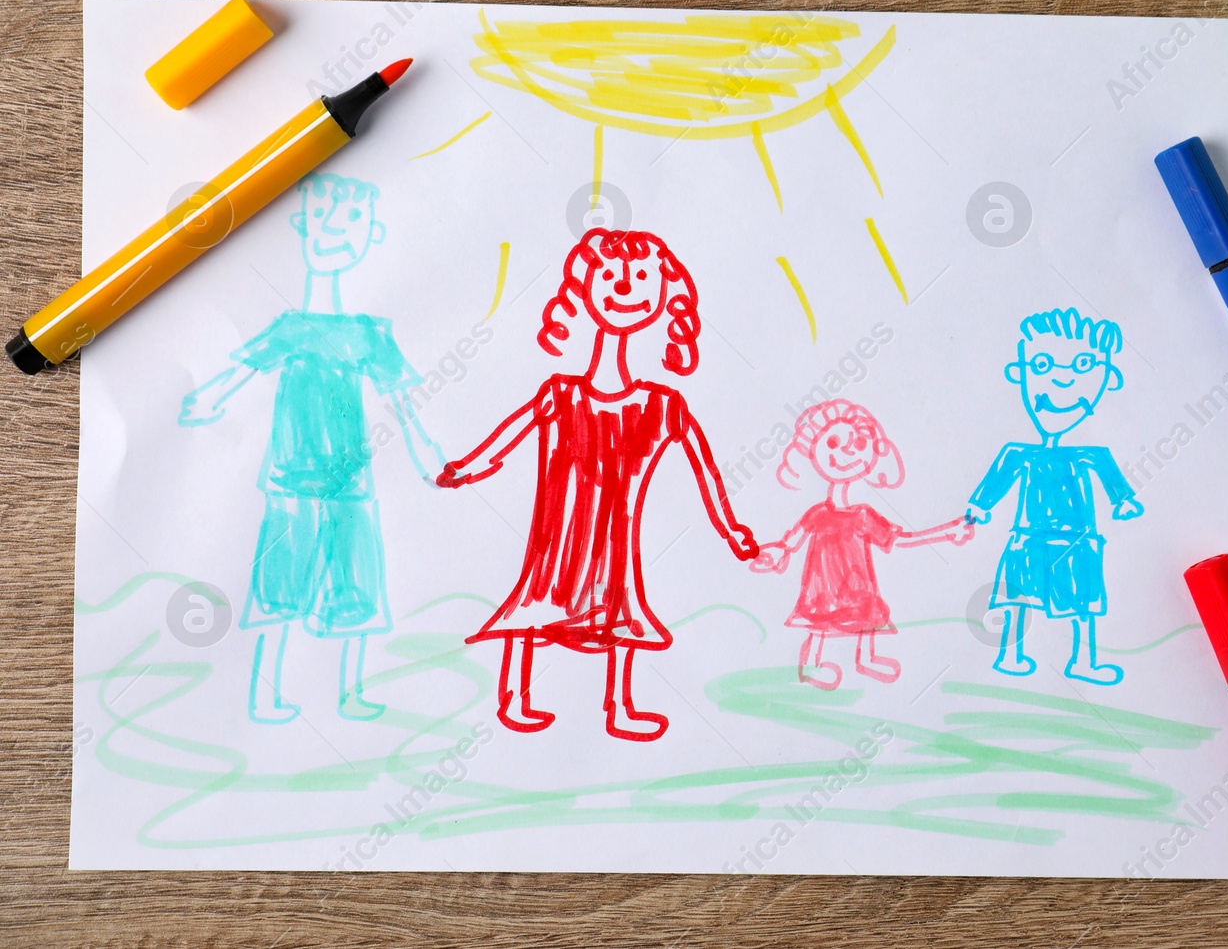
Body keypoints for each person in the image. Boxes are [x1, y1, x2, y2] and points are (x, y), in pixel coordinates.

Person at [438, 227, 758, 741]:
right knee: (537, 597)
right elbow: (509, 438)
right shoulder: (560, 394)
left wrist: (731, 528)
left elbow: (705, 471)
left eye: (640, 280)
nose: (625, 288)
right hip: (558, 534)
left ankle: (619, 705)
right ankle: (517, 697)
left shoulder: (662, 405)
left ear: (663, 299)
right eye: (610, 277)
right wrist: (469, 467)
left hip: (614, 542)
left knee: (621, 604)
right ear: (586, 289)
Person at [179, 172, 444, 724]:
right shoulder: (291, 327)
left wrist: (426, 453)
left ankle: (349, 693)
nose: (334, 231)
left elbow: (400, 397)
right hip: (291, 483)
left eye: (351, 221)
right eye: (323, 218)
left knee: (356, 586)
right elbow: (241, 371)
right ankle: (265, 696)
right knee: (280, 589)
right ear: (301, 227)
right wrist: (207, 398)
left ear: (372, 236)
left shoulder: (368, 332)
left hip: (351, 484)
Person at [966, 307, 1144, 685]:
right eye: (1043, 365)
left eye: (1083, 366)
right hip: (1028, 538)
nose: (1062, 381)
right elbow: (998, 480)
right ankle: (1011, 655)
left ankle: (1082, 661)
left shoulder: (1090, 454)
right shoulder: (1020, 453)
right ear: (1021, 374)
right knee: (1017, 599)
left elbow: (1113, 480)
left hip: (1078, 541)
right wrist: (979, 506)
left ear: (1108, 380)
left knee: (1083, 603)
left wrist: (1123, 500)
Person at [751, 399, 973, 690]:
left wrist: (944, 533)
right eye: (832, 442)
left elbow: (900, 540)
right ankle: (810, 665)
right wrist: (772, 555)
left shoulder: (864, 516)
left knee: (867, 615)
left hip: (858, 589)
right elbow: (789, 543)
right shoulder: (818, 513)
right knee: (820, 622)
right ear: (811, 451)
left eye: (857, 443)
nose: (845, 452)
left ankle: (865, 658)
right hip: (824, 589)